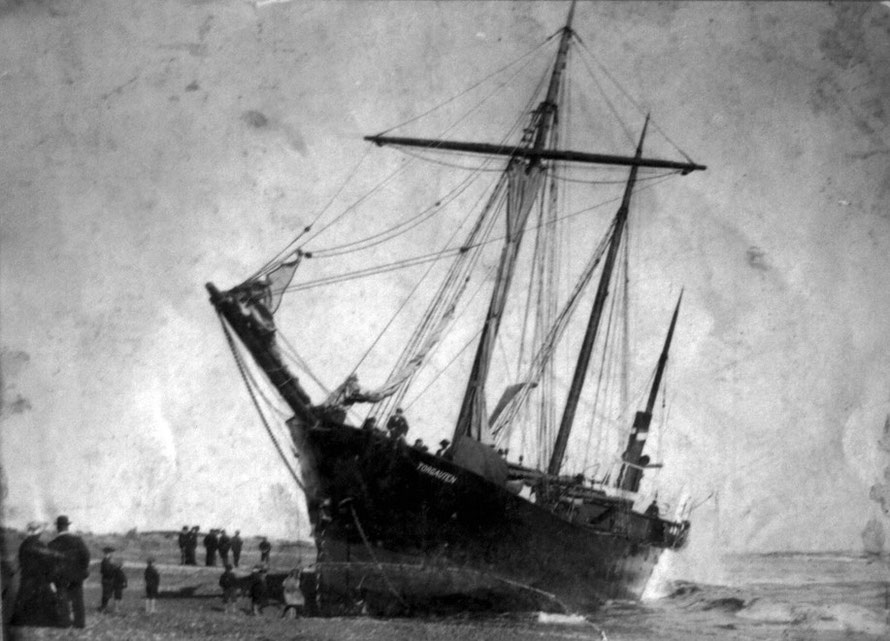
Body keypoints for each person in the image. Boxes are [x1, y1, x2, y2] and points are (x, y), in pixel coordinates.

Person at [10, 521, 64, 627]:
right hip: (37, 576)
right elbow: (45, 555)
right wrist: (58, 555)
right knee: (45, 598)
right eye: (40, 532)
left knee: (25, 598)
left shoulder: (25, 543)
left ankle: (22, 620)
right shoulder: (34, 543)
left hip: (27, 576)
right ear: (38, 532)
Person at [47, 515, 90, 629]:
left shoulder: (52, 544)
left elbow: (49, 563)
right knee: (78, 599)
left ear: (58, 528)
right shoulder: (78, 540)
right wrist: (82, 569)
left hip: (60, 576)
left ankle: (65, 623)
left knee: (62, 599)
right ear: (67, 527)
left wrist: (51, 578)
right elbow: (86, 556)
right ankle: (80, 623)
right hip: (77, 575)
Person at [98, 547, 116, 613]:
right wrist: (113, 568)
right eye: (111, 553)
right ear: (108, 553)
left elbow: (102, 571)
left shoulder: (107, 560)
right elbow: (106, 571)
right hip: (107, 579)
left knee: (107, 594)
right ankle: (103, 608)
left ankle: (104, 607)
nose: (112, 554)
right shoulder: (106, 561)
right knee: (106, 594)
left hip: (107, 579)